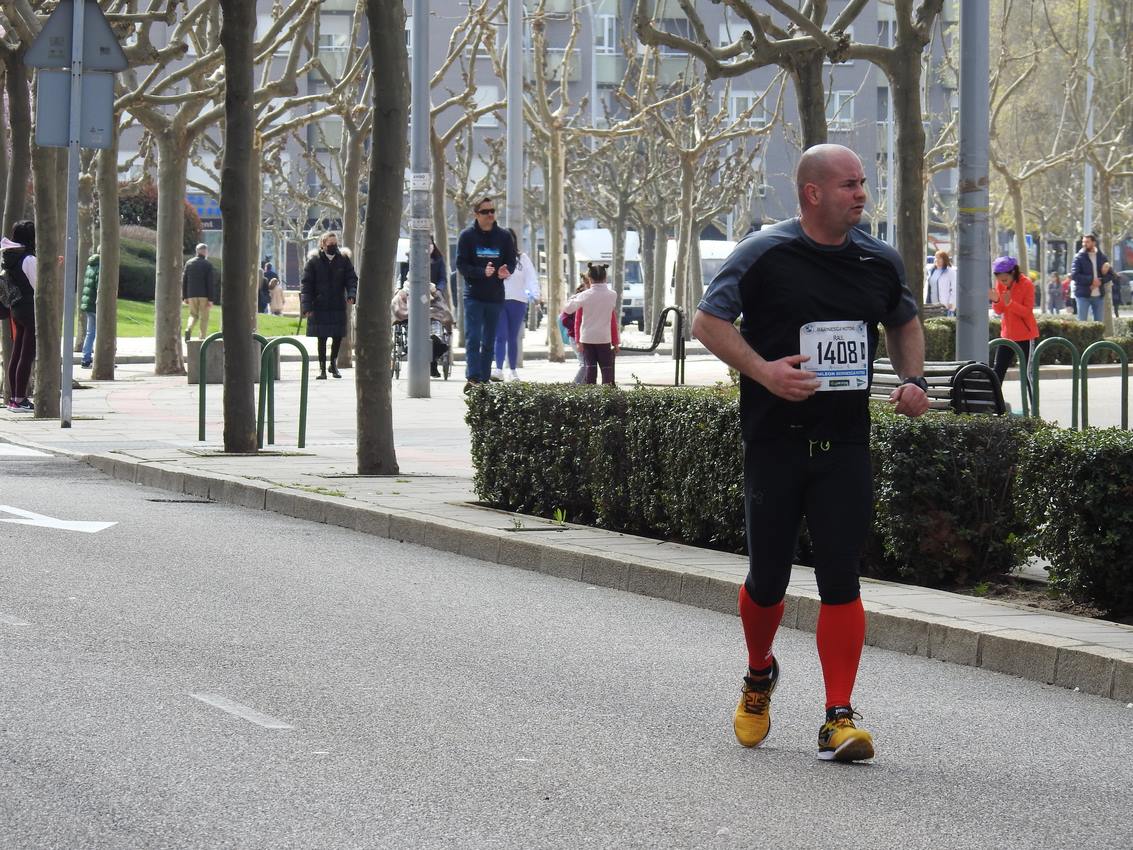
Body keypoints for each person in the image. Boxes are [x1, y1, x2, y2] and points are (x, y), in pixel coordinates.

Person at [692, 144, 929, 763]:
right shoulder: (765, 253)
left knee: (841, 580)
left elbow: (904, 320)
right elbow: (708, 323)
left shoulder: (878, 261)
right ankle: (758, 672)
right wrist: (765, 372)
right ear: (812, 193)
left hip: (846, 445)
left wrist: (913, 380)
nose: (862, 195)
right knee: (767, 582)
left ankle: (838, 715)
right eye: (850, 184)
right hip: (775, 442)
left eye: (864, 184)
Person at [456, 196, 515, 384]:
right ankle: (473, 377)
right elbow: (461, 265)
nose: (490, 215)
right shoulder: (467, 236)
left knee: (489, 340)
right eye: (485, 212)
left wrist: (506, 271)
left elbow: (511, 262)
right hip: (473, 296)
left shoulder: (504, 236)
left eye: (492, 211)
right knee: (473, 337)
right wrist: (483, 272)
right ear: (476, 214)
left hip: (495, 297)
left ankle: (484, 378)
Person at [301, 231, 358, 380]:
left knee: (338, 336)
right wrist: (306, 307)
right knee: (322, 337)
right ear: (323, 244)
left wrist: (352, 294)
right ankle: (322, 368)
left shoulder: (343, 260)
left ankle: (333, 364)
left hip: (338, 304)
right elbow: (306, 285)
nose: (333, 246)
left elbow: (351, 279)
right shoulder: (313, 262)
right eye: (330, 243)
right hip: (319, 305)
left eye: (335, 243)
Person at [493, 228, 542, 381]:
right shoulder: (494, 257)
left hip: (518, 301)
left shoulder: (522, 258)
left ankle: (512, 370)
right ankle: (498, 369)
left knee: (513, 337)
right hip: (498, 300)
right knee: (500, 336)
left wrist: (536, 295)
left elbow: (531, 277)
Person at [989, 256, 1039, 407]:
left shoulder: (1027, 284)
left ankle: (1034, 408)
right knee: (998, 371)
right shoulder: (1000, 284)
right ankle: (994, 406)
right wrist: (996, 301)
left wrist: (1010, 303)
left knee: (1027, 374)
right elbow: (999, 310)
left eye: (1005, 280)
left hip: (1025, 335)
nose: (1002, 283)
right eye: (1000, 280)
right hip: (1007, 335)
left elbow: (1027, 311)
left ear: (1013, 273)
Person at [562, 262, 619, 384]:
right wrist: (616, 342)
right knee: (606, 369)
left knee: (590, 369)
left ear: (590, 279)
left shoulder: (584, 295)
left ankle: (591, 396)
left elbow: (567, 309)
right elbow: (612, 320)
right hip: (604, 338)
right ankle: (606, 396)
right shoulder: (612, 295)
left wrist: (575, 297)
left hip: (587, 338)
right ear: (605, 278)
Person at [3, 221, 37, 412]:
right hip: (29, 308)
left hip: (15, 308)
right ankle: (20, 399)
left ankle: (14, 399)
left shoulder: (10, 256)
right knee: (27, 354)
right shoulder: (28, 259)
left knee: (17, 353)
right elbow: (37, 284)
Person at [390, 279, 454, 377]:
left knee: (436, 340)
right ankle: (430, 362)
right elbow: (398, 310)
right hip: (411, 323)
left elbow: (442, 310)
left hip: (431, 321)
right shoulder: (402, 293)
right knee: (431, 341)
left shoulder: (434, 293)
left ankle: (431, 362)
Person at [182, 243, 219, 342]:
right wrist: (211, 299)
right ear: (205, 252)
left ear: (196, 251)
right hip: (204, 295)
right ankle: (202, 337)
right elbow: (210, 283)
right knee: (204, 317)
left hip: (191, 294)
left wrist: (185, 296)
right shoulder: (207, 265)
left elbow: (184, 280)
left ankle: (188, 328)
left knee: (193, 315)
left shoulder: (189, 263)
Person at [1070, 233, 1109, 322]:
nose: (1084, 244)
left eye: (1087, 242)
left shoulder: (1101, 257)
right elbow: (1075, 275)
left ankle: (1097, 336)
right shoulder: (1078, 257)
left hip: (1099, 296)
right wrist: (1091, 280)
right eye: (1083, 242)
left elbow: (1110, 274)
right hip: (1083, 295)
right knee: (1082, 322)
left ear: (1094, 243)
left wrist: (1101, 281)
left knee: (1099, 323)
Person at [80, 253, 99, 368]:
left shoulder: (90, 265)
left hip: (88, 304)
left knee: (90, 332)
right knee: (100, 333)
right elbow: (99, 285)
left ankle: (85, 358)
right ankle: (102, 358)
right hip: (96, 304)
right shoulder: (101, 266)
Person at [925, 250, 956, 315]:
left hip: (944, 305)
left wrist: (952, 302)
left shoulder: (950, 272)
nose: (937, 260)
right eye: (936, 257)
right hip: (932, 305)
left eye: (939, 258)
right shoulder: (932, 271)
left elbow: (954, 288)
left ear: (944, 260)